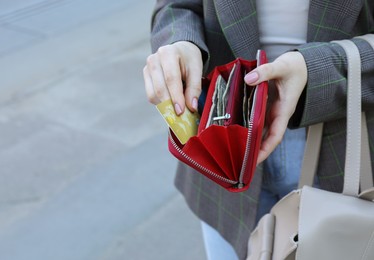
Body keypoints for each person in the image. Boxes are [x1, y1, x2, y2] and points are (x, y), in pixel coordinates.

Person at [143, 0, 374, 259]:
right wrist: (179, 42)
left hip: (350, 141)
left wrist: (318, 70)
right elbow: (176, 6)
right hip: (221, 146)